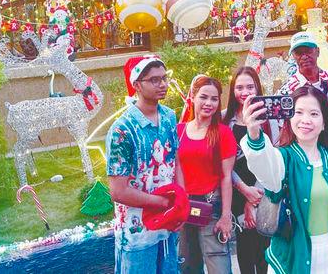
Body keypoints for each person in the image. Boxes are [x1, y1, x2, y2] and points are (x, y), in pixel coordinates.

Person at [241, 86, 328, 274]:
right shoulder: (282, 158)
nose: (305, 120)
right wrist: (254, 134)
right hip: (290, 260)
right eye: (298, 112)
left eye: (314, 113)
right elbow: (266, 172)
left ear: (325, 122)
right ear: (289, 118)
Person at [106, 55, 183, 274]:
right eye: (154, 80)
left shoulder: (168, 116)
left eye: (164, 78)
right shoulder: (122, 129)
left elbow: (175, 161)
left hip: (168, 223)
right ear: (137, 85)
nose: (163, 84)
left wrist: (181, 204)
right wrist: (162, 203)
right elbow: (118, 191)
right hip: (137, 230)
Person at [223, 66, 280, 274]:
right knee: (245, 250)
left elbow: (274, 156)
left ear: (258, 87)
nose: (244, 92)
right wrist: (245, 192)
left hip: (263, 191)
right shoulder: (225, 120)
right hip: (238, 192)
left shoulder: (269, 118)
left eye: (249, 86)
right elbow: (224, 165)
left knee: (264, 250)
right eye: (239, 87)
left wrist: (254, 196)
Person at [177, 75, 237, 274]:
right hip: (184, 208)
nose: (209, 103)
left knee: (218, 265)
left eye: (214, 99)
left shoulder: (222, 133)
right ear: (193, 97)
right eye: (204, 97)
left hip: (211, 207)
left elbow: (226, 176)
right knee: (188, 265)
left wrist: (226, 215)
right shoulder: (179, 131)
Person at [279, 31, 328, 148]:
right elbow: (284, 131)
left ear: (317, 51)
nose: (304, 56)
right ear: (293, 56)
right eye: (299, 53)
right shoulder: (287, 91)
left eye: (308, 51)